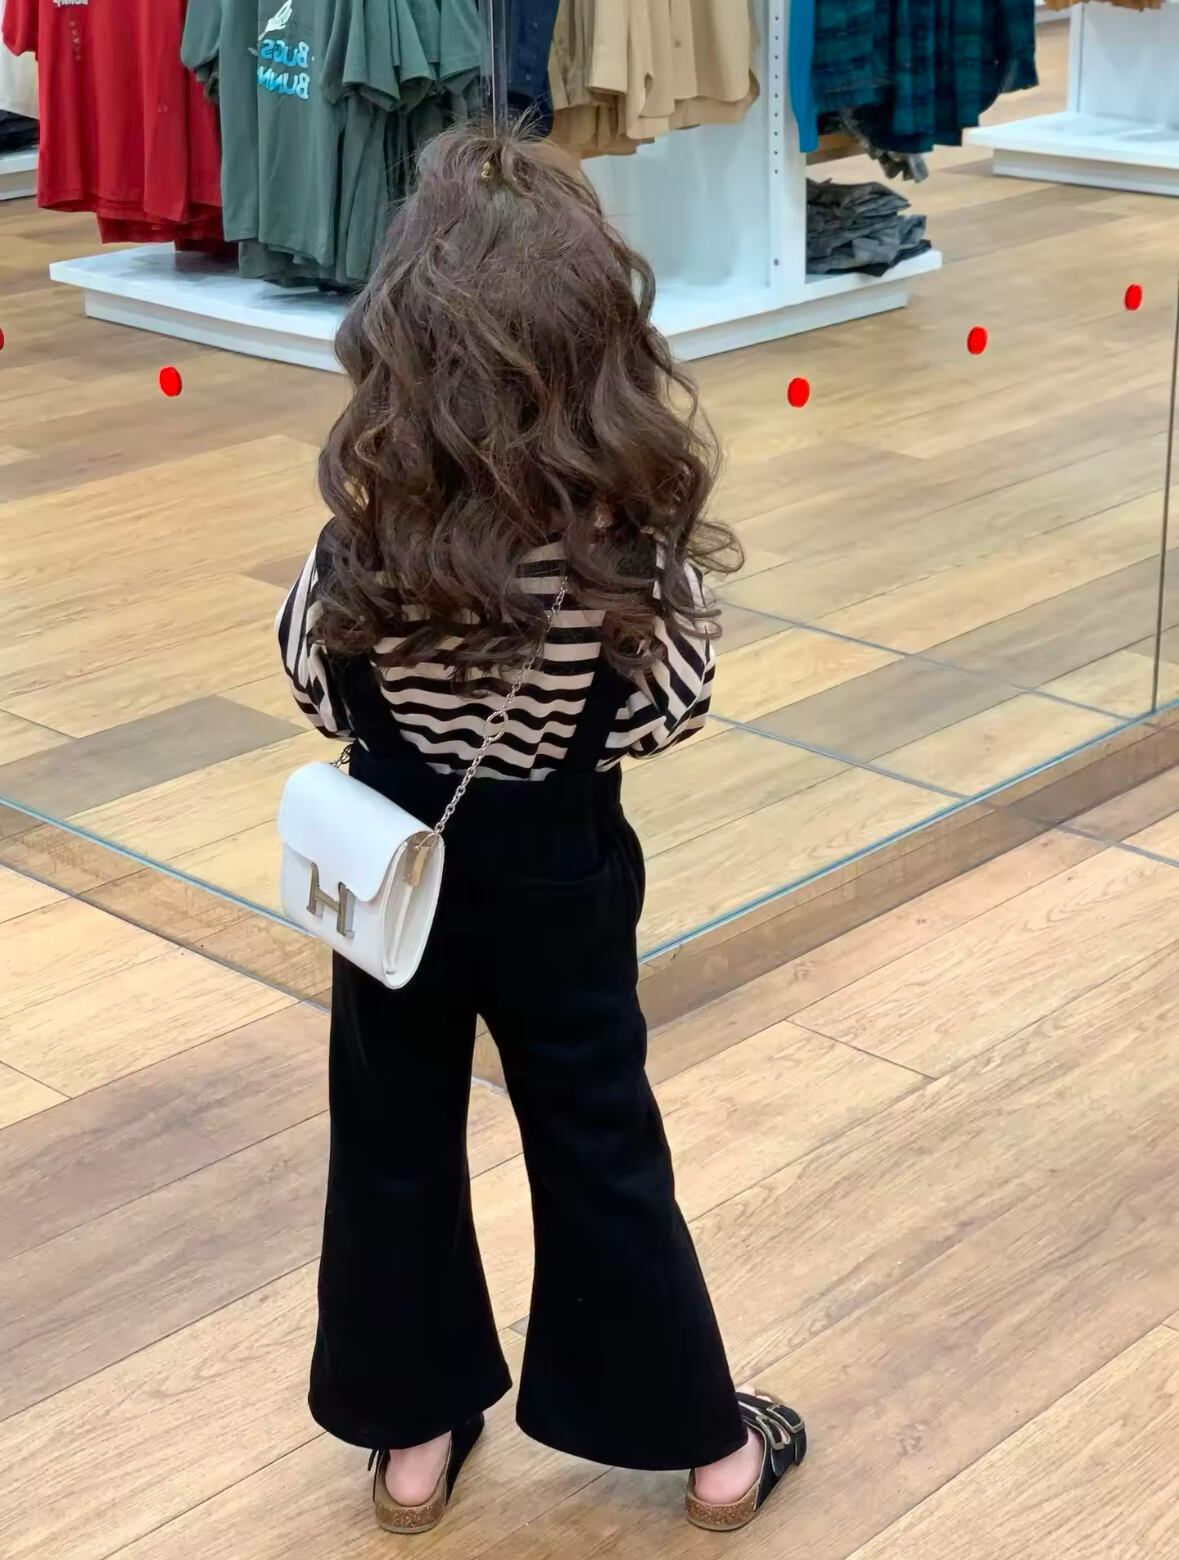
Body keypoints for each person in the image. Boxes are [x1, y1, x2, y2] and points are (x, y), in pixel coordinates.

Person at [276, 121, 806, 1537]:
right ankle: (708, 1450)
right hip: (560, 867)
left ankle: (411, 1442)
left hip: (390, 868)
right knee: (596, 1138)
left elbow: (309, 678)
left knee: (391, 1137)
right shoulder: (626, 559)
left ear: (400, 343)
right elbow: (667, 712)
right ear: (595, 347)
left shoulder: (363, 535)